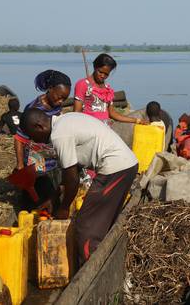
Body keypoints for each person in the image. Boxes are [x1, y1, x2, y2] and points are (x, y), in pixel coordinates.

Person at [20, 109, 138, 265]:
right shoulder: (65, 120)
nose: (36, 141)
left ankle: (90, 267)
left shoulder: (59, 135)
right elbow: (70, 171)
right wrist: (54, 198)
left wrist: (64, 207)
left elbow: (72, 179)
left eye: (32, 136)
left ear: (39, 126)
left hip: (115, 168)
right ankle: (103, 257)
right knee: (102, 220)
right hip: (126, 164)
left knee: (84, 225)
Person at [14, 70, 71, 206]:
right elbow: (19, 138)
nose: (61, 101)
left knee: (54, 192)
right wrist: (20, 165)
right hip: (37, 159)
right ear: (50, 89)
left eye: (64, 98)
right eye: (59, 97)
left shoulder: (57, 106)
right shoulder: (33, 109)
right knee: (36, 197)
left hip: (53, 157)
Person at [73, 53, 146, 126]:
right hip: (89, 128)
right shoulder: (83, 84)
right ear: (95, 67)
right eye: (100, 72)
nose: (102, 76)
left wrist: (136, 120)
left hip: (105, 130)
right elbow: (76, 113)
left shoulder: (107, 89)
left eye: (106, 74)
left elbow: (112, 113)